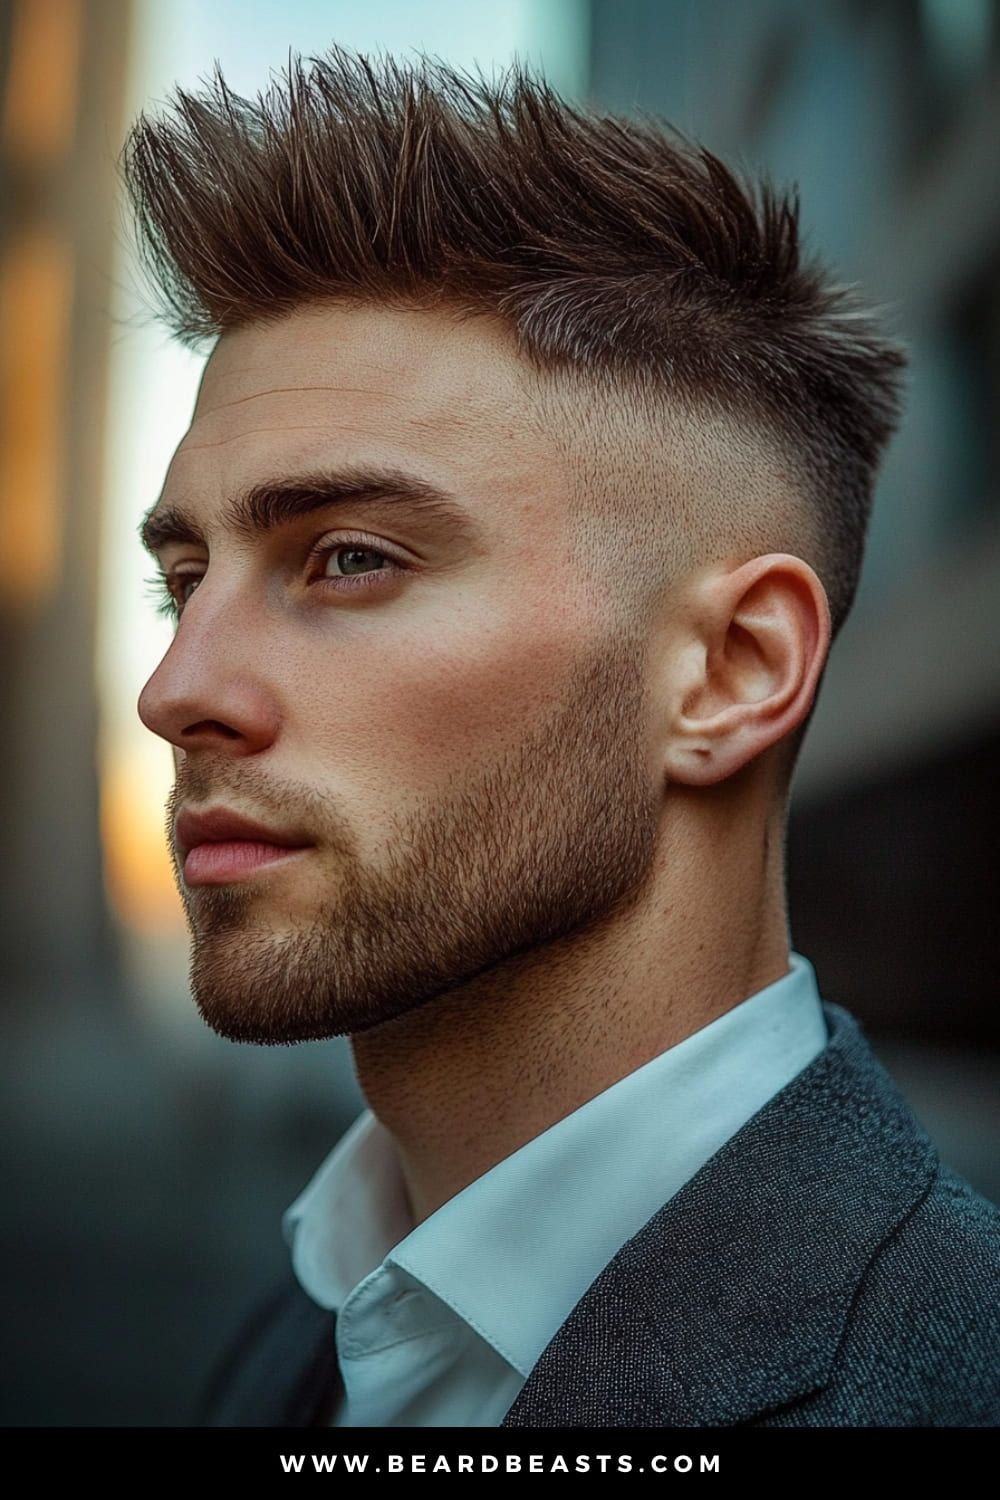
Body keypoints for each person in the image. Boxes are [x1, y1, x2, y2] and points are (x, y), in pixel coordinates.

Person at [126, 51, 1000, 1427]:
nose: (177, 689)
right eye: (185, 582)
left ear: (731, 671)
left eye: (351, 559)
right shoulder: (308, 1323)